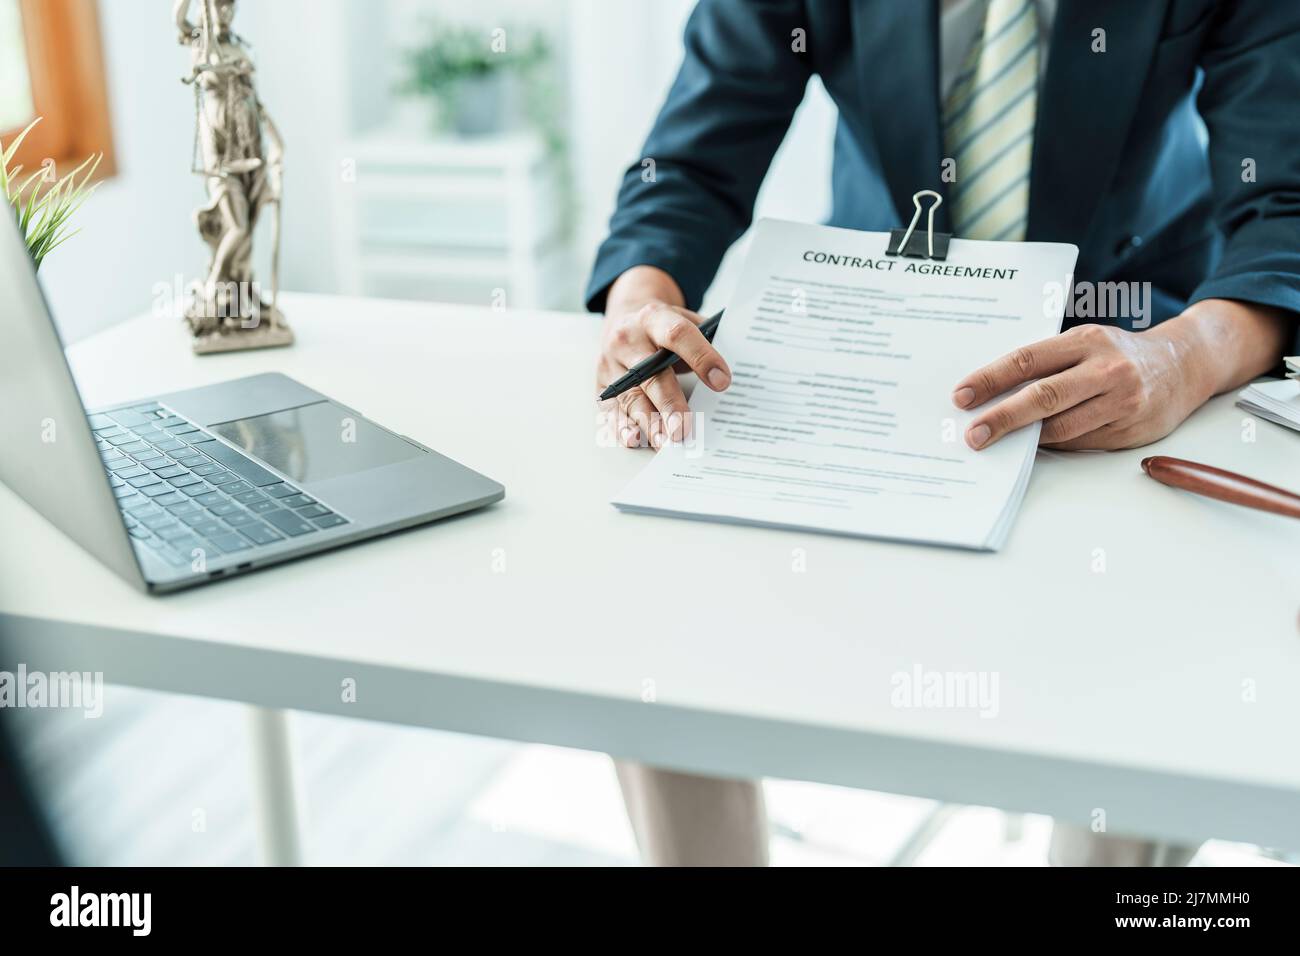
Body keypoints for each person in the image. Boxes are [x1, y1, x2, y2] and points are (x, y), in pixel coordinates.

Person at [587, 0, 1299, 865]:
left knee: (1140, 701)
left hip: (1133, 347)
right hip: (871, 351)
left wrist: (1181, 360)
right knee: (663, 640)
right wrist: (639, 304)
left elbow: (1283, 212)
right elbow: (691, 164)